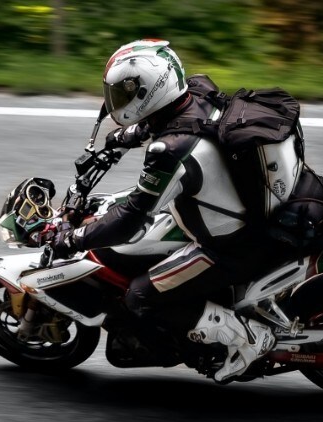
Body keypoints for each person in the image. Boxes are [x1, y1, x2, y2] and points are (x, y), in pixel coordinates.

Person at [51, 39, 289, 383]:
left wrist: (73, 238)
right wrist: (120, 139)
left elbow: (131, 219)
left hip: (230, 245)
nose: (116, 100)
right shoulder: (197, 93)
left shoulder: (170, 151)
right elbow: (163, 123)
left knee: (140, 294)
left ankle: (248, 338)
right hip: (244, 212)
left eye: (123, 92)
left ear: (150, 90)